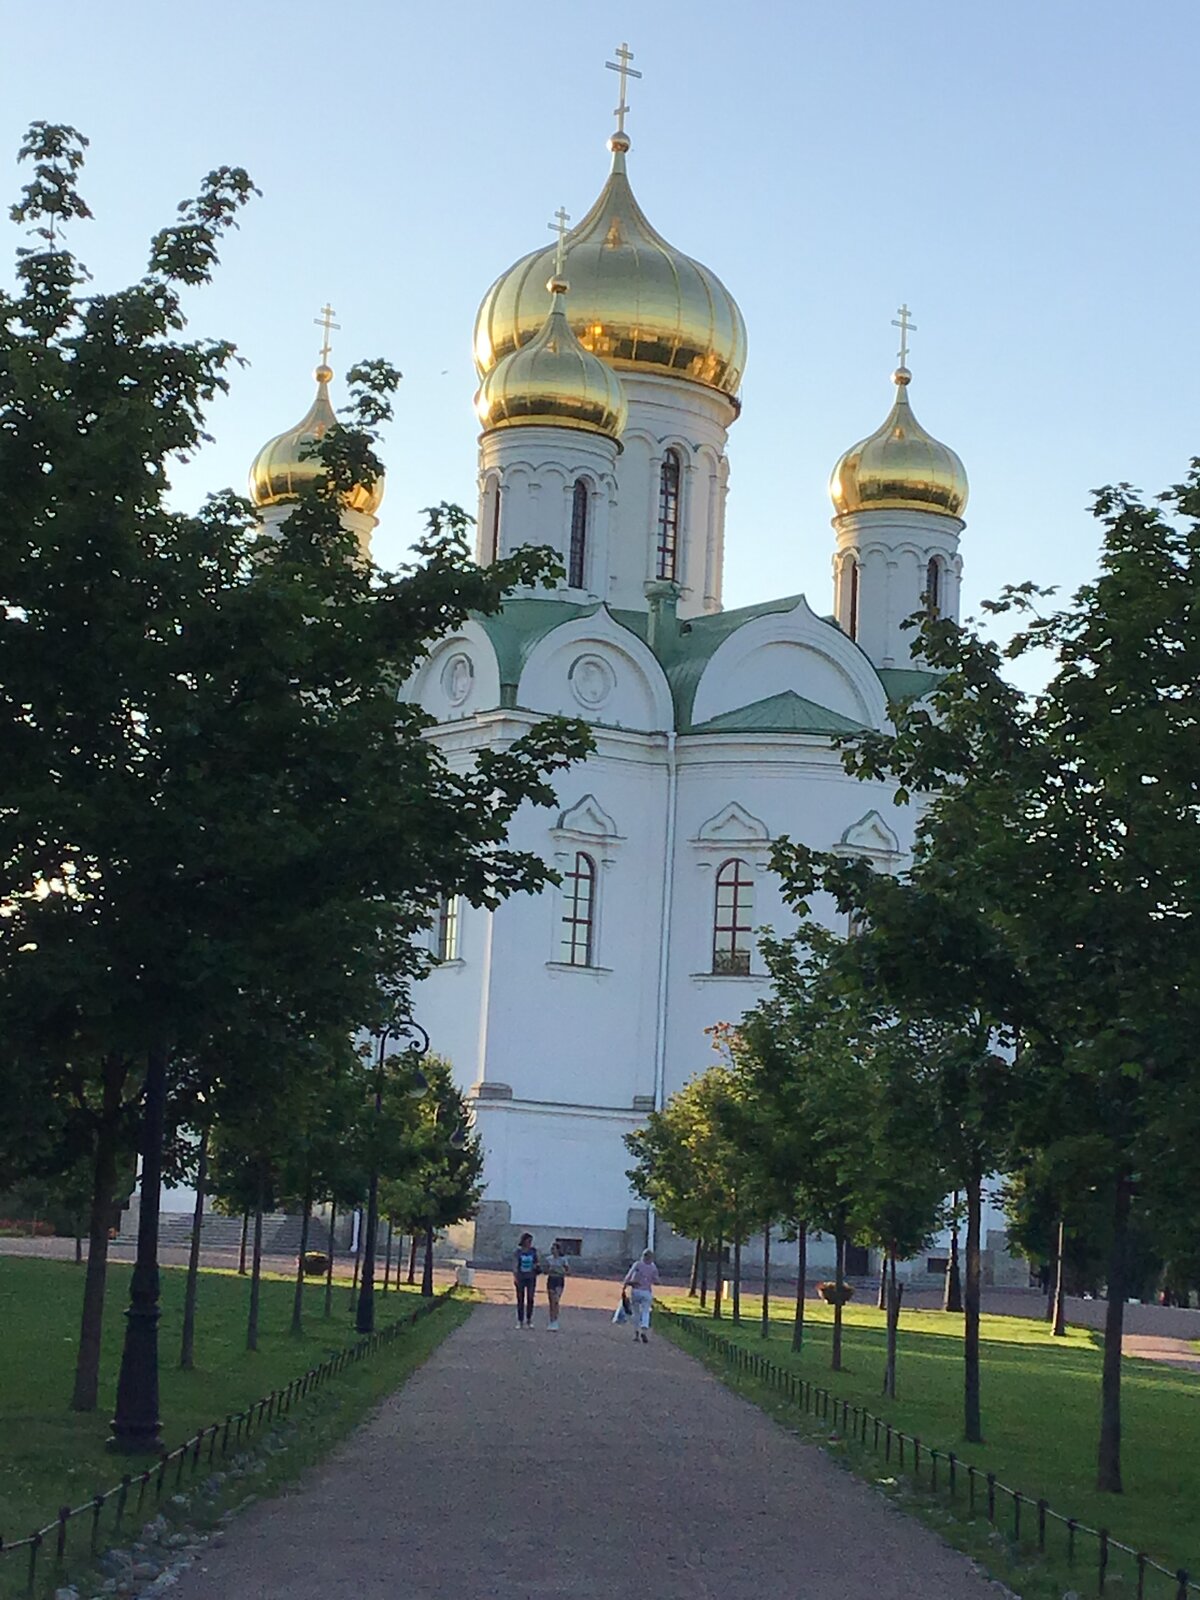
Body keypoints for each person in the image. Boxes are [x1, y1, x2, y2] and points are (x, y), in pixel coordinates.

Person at [624, 1248, 660, 1343]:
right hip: (647, 1292)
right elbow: (656, 1281)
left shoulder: (637, 1264)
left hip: (635, 1291)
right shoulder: (653, 1267)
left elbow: (628, 1276)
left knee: (636, 1312)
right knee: (646, 1311)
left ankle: (636, 1332)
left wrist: (626, 1284)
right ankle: (644, 1329)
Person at [513, 1232, 540, 1329]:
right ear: (524, 1241)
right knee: (520, 1299)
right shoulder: (518, 1252)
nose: (530, 1243)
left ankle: (529, 1319)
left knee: (530, 1298)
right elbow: (516, 1265)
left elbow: (537, 1262)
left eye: (531, 1241)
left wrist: (536, 1266)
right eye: (528, 1241)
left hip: (531, 1277)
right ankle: (520, 1320)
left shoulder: (533, 1251)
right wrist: (515, 1276)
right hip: (521, 1277)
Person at [545, 1241, 569, 1330]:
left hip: (559, 1280)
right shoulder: (549, 1259)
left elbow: (567, 1271)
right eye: (552, 1249)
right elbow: (545, 1270)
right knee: (551, 1301)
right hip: (551, 1280)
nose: (552, 1250)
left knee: (556, 1300)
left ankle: (555, 1320)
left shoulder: (563, 1260)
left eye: (554, 1249)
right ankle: (551, 1320)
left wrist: (559, 1270)